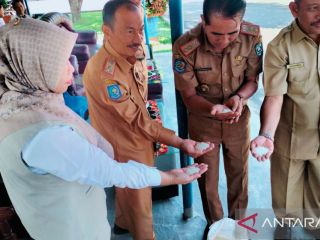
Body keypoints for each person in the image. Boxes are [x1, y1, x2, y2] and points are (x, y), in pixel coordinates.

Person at [0, 18, 209, 240]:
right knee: (141, 213)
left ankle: (121, 223)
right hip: (78, 226)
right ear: (33, 66)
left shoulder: (32, 102)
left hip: (93, 195)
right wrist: (171, 173)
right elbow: (113, 168)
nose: (73, 67)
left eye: (140, 29)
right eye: (61, 62)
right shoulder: (43, 133)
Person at [82, 1, 214, 239]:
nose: (138, 37)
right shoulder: (106, 74)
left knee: (127, 189)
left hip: (139, 134)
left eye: (140, 28)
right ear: (107, 30)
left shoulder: (134, 48)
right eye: (129, 30)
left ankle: (122, 222)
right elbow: (138, 121)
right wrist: (179, 141)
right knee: (141, 204)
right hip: (125, 143)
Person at [250, 0, 320, 239]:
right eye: (313, 7)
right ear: (294, 9)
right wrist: (266, 134)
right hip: (293, 133)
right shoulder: (281, 46)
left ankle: (315, 223)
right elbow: (274, 96)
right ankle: (285, 223)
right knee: (286, 186)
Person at [172, 0, 263, 237]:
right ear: (203, 21)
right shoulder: (185, 46)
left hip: (237, 120)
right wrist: (213, 109)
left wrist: (239, 98)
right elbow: (189, 96)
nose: (223, 41)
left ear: (241, 22)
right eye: (216, 34)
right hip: (204, 123)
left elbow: (252, 80)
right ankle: (215, 226)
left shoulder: (251, 37)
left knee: (239, 175)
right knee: (207, 179)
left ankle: (238, 226)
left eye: (232, 33)